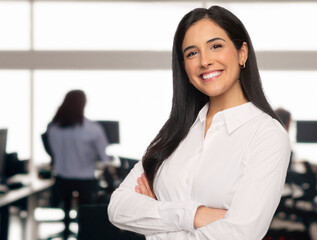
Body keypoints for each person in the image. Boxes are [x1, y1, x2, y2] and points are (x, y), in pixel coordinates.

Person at [108, 6, 291, 240]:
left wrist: (155, 223)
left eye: (216, 46)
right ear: (183, 66)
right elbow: (118, 208)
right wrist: (196, 215)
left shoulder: (266, 134)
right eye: (192, 53)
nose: (205, 61)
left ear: (242, 53)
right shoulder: (177, 130)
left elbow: (240, 234)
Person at [47, 90, 111, 238]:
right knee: (86, 214)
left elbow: (52, 151)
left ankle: (65, 233)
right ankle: (83, 236)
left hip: (62, 177)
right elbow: (104, 156)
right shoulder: (92, 128)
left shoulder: (54, 128)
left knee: (66, 209)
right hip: (85, 179)